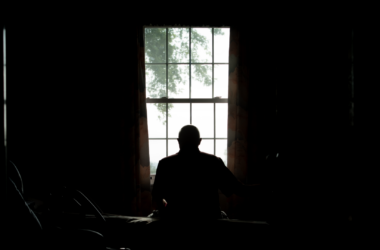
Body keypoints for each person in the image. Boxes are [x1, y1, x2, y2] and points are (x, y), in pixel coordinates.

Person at [151, 125, 263, 220]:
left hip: (176, 219)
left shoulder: (165, 164)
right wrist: (264, 187)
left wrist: (165, 214)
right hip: (210, 220)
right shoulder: (214, 162)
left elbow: (157, 196)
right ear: (199, 141)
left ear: (179, 141)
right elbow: (238, 188)